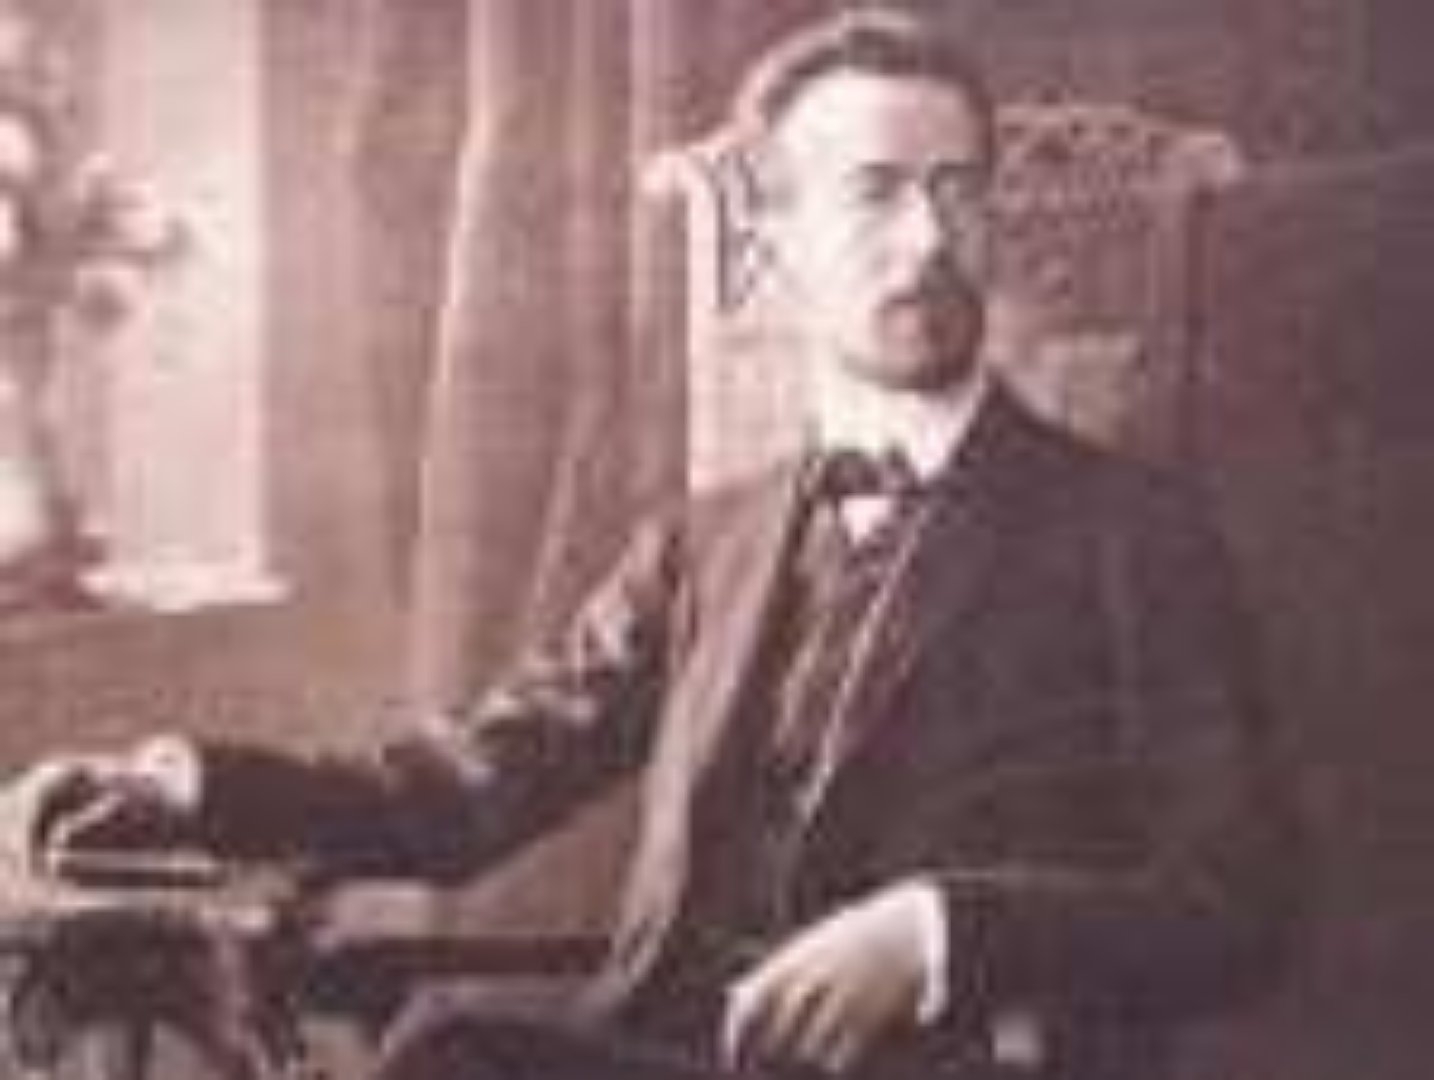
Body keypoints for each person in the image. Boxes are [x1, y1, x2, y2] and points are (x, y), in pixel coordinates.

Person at [1, 10, 1303, 1080]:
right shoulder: (706, 540)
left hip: (948, 1060)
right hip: (666, 1051)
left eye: (956, 191)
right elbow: (472, 784)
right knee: (447, 1055)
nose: (925, 238)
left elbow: (1237, 899)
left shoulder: (1131, 533)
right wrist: (195, 785)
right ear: (776, 240)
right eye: (873, 193)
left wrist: (939, 934)